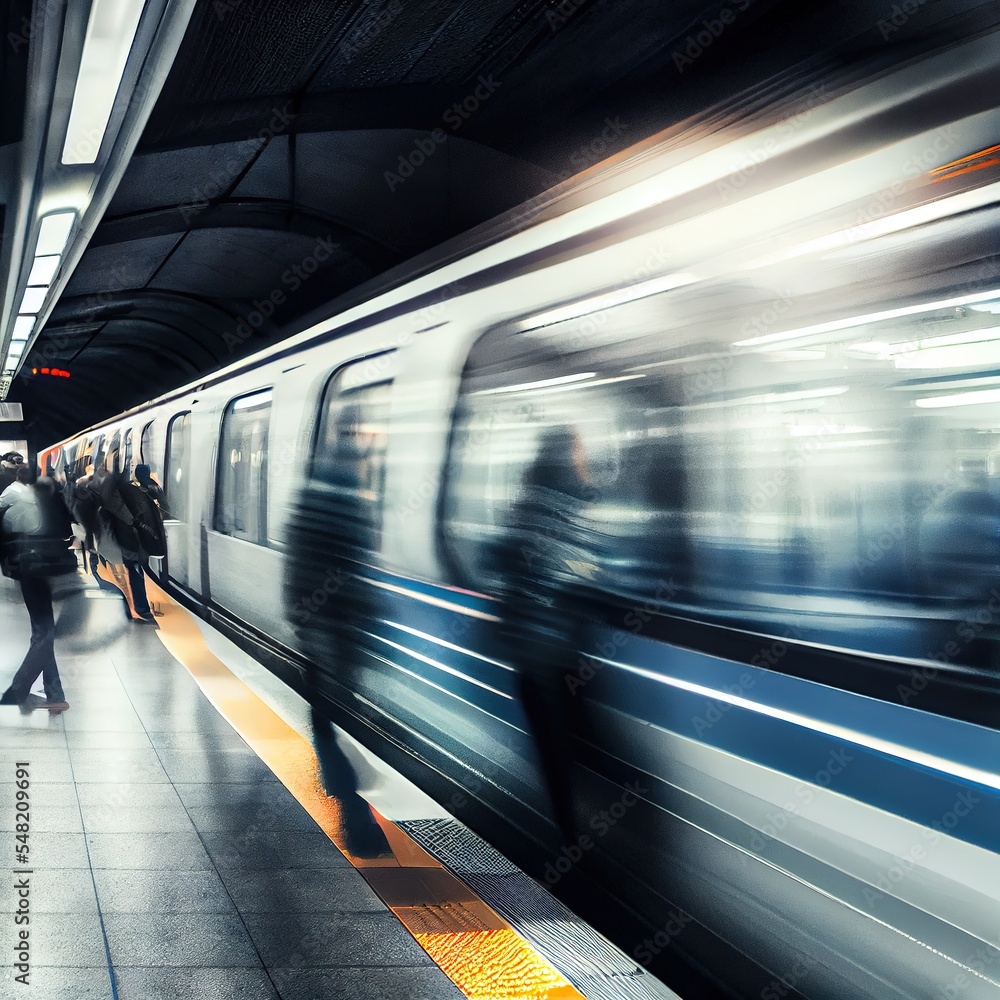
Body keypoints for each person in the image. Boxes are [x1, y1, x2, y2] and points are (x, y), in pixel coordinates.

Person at [283, 404, 389, 857]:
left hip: (317, 618)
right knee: (335, 712)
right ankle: (352, 807)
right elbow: (349, 561)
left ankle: (349, 799)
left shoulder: (316, 482)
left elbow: (299, 553)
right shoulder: (345, 486)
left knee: (326, 713)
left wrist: (299, 612)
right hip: (336, 622)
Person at [491, 425, 599, 840]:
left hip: (526, 649)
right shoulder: (569, 506)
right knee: (567, 747)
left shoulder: (523, 504)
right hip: (556, 650)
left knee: (553, 748)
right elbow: (579, 572)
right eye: (579, 450)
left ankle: (567, 834)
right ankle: (573, 845)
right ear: (568, 456)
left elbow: (504, 569)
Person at [0, 470, 77, 713]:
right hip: (55, 568)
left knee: (43, 631)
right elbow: (69, 529)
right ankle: (54, 692)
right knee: (44, 630)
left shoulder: (13, 497)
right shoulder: (50, 496)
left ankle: (17, 691)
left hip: (31, 568)